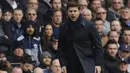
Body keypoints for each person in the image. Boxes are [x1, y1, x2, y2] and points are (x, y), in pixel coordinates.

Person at [59, 1, 103, 73]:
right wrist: (63, 64)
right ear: (67, 12)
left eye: (75, 11)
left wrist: (98, 64)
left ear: (79, 11)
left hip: (87, 62)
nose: (73, 13)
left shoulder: (89, 25)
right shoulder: (64, 27)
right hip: (71, 64)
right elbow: (61, 48)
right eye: (70, 11)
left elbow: (98, 46)